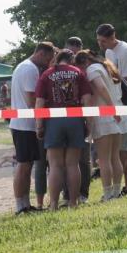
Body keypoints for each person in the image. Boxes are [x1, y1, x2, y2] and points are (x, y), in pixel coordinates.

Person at [34, 49, 91, 209]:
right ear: (71, 59)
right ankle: (73, 202)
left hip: (54, 120)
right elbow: (87, 99)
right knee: (73, 164)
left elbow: (39, 102)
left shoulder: (47, 74)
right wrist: (89, 123)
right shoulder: (78, 73)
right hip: (75, 119)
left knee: (55, 165)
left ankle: (53, 204)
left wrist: (39, 125)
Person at [96, 24, 127, 195]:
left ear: (112, 37)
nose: (100, 44)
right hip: (117, 104)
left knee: (124, 149)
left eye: (103, 41)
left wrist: (120, 103)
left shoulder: (125, 51)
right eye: (98, 41)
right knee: (118, 149)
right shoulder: (109, 52)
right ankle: (122, 185)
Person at [10, 42, 57, 214]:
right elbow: (32, 100)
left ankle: (25, 204)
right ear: (41, 54)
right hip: (25, 125)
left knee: (27, 165)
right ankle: (20, 205)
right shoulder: (30, 69)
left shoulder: (24, 66)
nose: (48, 63)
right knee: (23, 166)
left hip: (22, 123)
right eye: (48, 58)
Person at [77, 49, 127, 201]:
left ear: (85, 62)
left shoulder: (92, 70)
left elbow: (101, 88)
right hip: (117, 115)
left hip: (105, 116)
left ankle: (107, 194)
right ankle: (116, 191)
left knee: (104, 159)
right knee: (115, 157)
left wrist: (111, 109)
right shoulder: (106, 67)